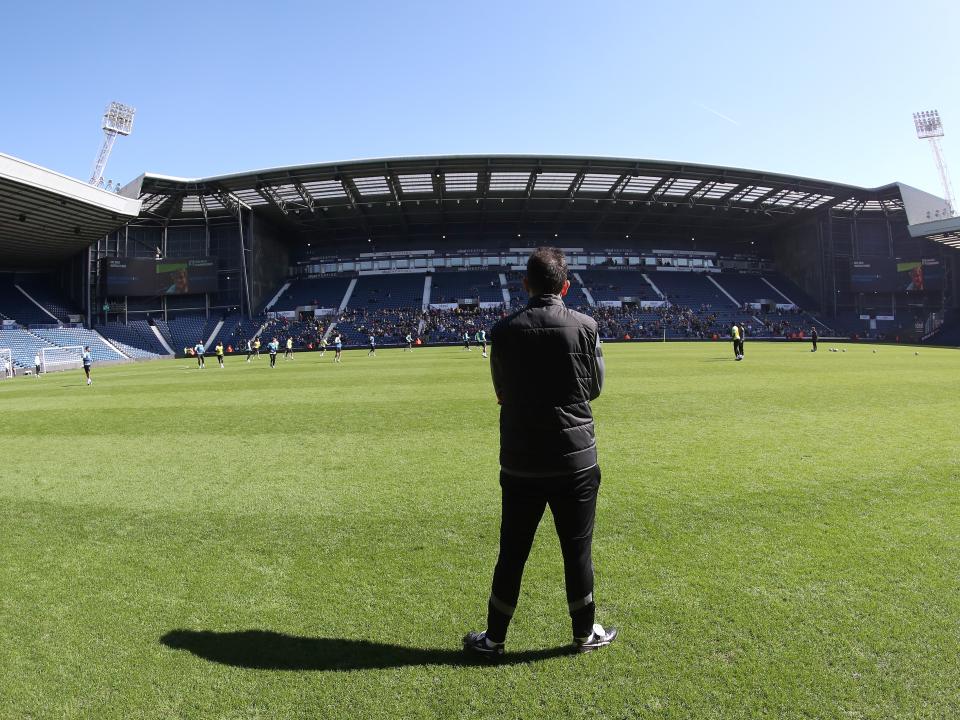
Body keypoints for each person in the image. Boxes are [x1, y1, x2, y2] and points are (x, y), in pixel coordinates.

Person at [463, 247, 616, 659]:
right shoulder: (587, 326)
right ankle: (585, 634)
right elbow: (597, 388)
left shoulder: (504, 331)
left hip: (521, 460)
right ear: (565, 286)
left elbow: (500, 392)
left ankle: (494, 639)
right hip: (576, 460)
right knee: (577, 550)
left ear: (525, 284)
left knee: (511, 551)